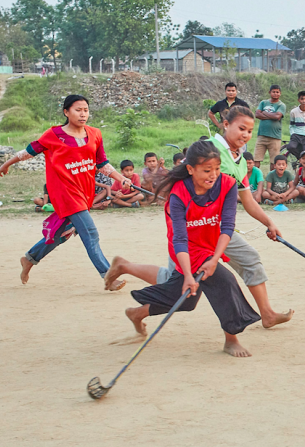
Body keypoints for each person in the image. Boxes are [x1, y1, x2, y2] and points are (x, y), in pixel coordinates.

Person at [107, 107, 293, 329]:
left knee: (248, 259)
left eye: (250, 131)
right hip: (193, 228)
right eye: (241, 128)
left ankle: (267, 314)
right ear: (225, 124)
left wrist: (269, 223)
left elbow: (247, 200)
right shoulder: (211, 150)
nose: (245, 134)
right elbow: (186, 183)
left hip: (215, 227)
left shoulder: (240, 160)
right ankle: (126, 269)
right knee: (175, 282)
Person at [122, 141, 261, 357]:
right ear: (190, 169)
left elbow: (227, 226)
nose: (213, 175)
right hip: (187, 247)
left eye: (216, 168)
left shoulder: (228, 184)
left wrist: (214, 259)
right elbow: (179, 238)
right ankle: (231, 339)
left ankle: (138, 313)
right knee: (225, 281)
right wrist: (188, 273)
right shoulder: (178, 195)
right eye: (207, 170)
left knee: (186, 300)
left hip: (210, 243)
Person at [0, 94, 132, 290]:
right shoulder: (53, 135)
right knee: (90, 233)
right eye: (78, 110)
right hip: (65, 193)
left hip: (84, 193)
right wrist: (6, 164)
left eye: (86, 110)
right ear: (66, 112)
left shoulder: (95, 134)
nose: (83, 114)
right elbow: (28, 151)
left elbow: (102, 164)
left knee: (60, 235)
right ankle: (108, 277)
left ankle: (29, 259)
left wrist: (122, 178)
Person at [254, 84, 286, 171]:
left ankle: (271, 181)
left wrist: (264, 113)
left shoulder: (281, 105)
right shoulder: (263, 102)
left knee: (274, 161)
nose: (275, 94)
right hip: (262, 135)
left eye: (277, 92)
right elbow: (257, 114)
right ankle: (254, 180)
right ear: (269, 92)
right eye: (273, 92)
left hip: (275, 137)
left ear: (280, 93)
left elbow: (277, 117)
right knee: (256, 159)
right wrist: (272, 115)